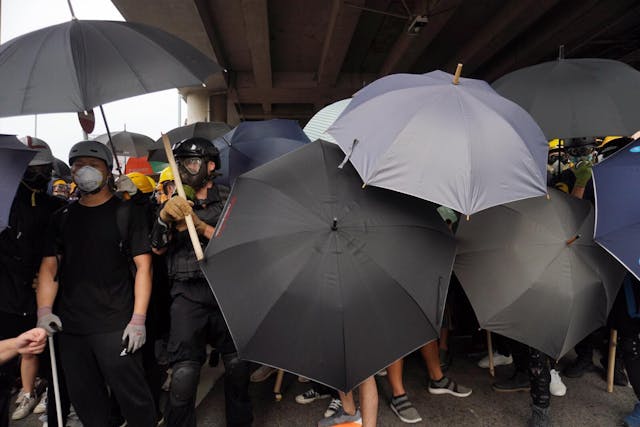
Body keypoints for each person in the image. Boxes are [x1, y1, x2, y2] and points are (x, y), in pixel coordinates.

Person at [37, 140, 156, 427]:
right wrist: (44, 311)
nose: (84, 170)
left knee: (135, 402)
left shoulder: (127, 213)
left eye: (93, 164)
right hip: (71, 327)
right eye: (78, 165)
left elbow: (144, 267)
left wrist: (138, 319)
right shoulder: (61, 217)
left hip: (116, 324)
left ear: (108, 171)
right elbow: (49, 266)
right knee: (88, 404)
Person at [150, 137, 252, 427]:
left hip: (225, 292)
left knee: (237, 367)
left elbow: (238, 243)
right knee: (183, 375)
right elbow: (156, 248)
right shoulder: (174, 199)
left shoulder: (230, 197)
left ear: (210, 165)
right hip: (186, 294)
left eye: (192, 163)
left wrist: (199, 225)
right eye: (180, 163)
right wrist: (163, 217)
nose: (185, 169)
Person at [0, 137, 65, 423]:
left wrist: (50, 274)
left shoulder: (56, 207)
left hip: (44, 294)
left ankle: (55, 396)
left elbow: (63, 250)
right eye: (33, 170)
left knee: (49, 351)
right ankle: (25, 391)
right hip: (7, 294)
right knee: (11, 354)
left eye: (44, 170)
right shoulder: (4, 205)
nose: (39, 176)